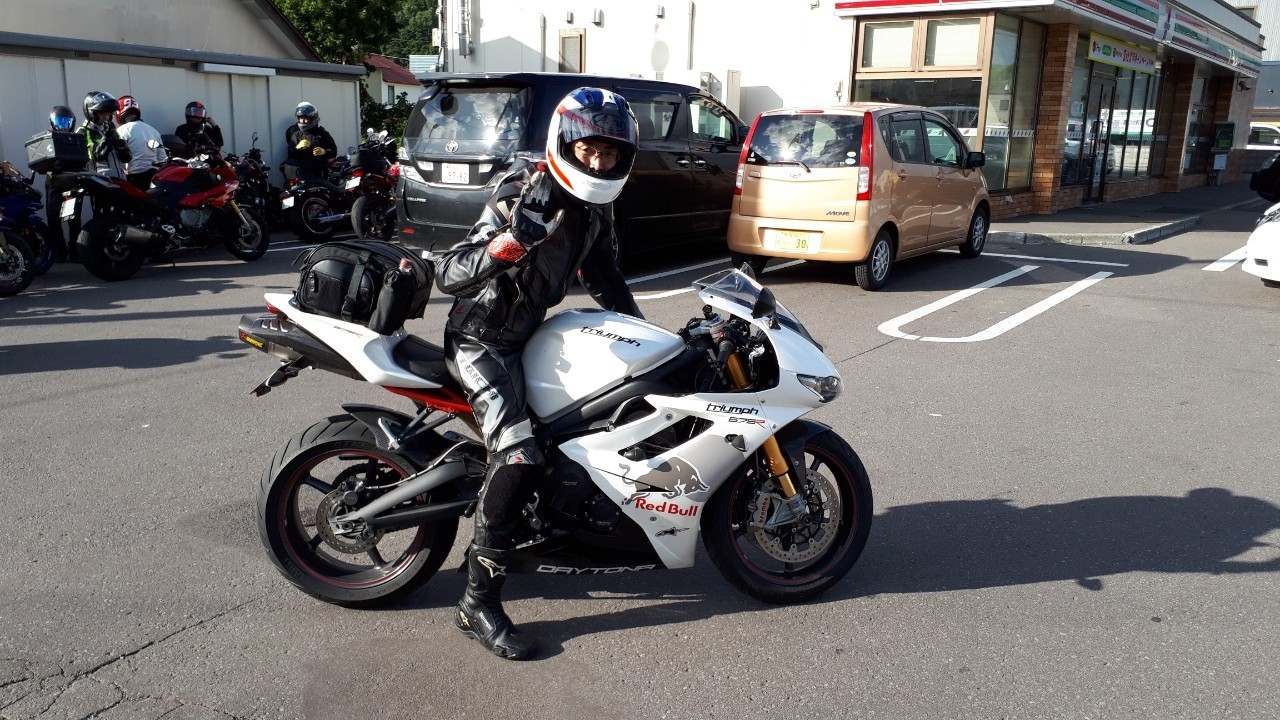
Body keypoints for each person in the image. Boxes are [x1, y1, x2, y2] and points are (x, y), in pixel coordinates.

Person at [434, 87, 643, 661]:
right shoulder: (524, 188)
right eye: (589, 149)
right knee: (520, 455)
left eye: (610, 152)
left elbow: (604, 274)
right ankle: (476, 603)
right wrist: (513, 241)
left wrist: (652, 337)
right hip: (482, 338)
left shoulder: (596, 206)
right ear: (565, 144)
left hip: (529, 335)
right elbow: (450, 273)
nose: (598, 161)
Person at [44, 105, 79, 262]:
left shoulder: (75, 139)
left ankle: (75, 251)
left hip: (70, 183)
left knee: (72, 218)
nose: (63, 126)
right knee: (53, 219)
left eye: (66, 122)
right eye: (60, 122)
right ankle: (59, 251)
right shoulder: (47, 138)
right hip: (54, 183)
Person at [114, 95, 167, 189]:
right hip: (154, 177)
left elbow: (118, 161)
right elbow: (162, 159)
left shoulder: (121, 131)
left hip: (134, 178)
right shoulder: (153, 130)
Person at [80, 91, 131, 179]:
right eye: (103, 113)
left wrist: (120, 144)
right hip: (100, 180)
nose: (107, 117)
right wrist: (107, 139)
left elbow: (127, 158)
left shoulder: (110, 130)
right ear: (92, 113)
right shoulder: (83, 132)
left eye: (109, 114)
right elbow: (96, 155)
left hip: (120, 179)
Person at [285, 102, 337, 180]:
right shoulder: (297, 134)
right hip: (302, 173)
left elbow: (334, 151)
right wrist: (297, 148)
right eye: (301, 118)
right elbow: (290, 153)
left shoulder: (322, 133)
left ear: (313, 118)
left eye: (306, 118)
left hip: (320, 173)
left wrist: (324, 152)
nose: (303, 121)